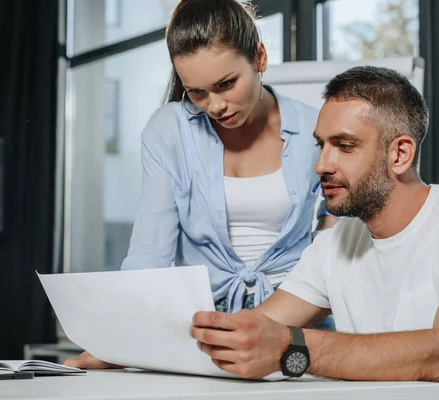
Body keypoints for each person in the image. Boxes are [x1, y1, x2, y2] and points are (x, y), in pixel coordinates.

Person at [189, 66, 439, 399]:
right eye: (320, 145)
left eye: (344, 146)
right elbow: (254, 332)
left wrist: (290, 347)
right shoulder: (331, 246)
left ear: (400, 154)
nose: (321, 165)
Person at [64, 0, 336, 369]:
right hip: (202, 328)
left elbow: (335, 244)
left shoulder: (313, 130)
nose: (216, 105)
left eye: (227, 84)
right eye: (197, 92)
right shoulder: (170, 129)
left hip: (296, 319)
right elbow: (150, 253)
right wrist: (120, 340)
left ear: (259, 57)